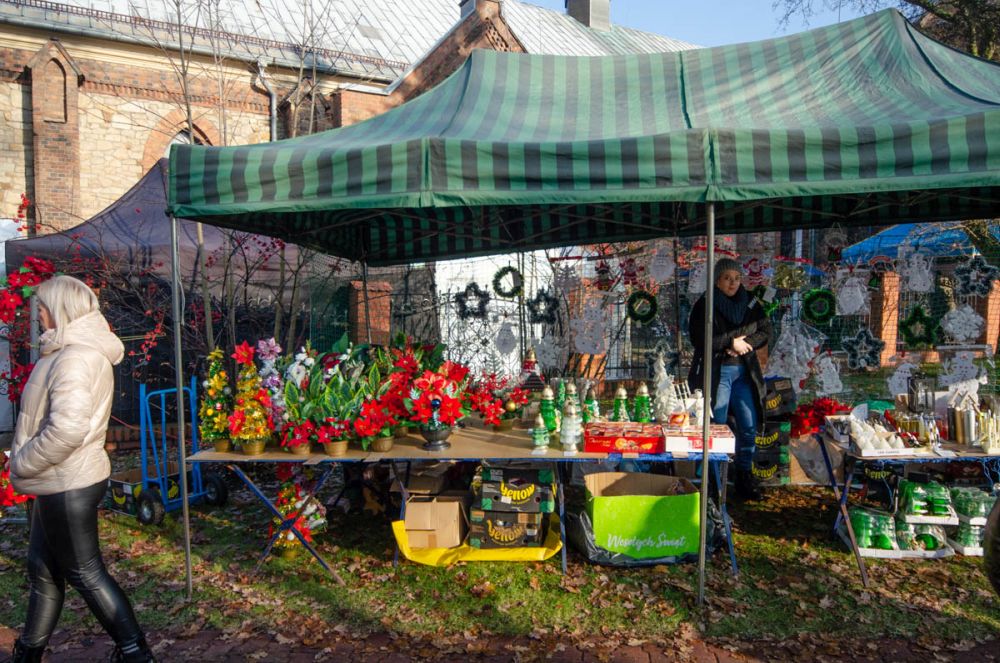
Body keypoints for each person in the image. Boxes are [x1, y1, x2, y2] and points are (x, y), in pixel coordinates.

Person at [8, 276, 155, 662]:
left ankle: (136, 654)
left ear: (61, 310)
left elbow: (67, 430)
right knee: (42, 570)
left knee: (86, 573)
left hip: (68, 480)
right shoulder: (66, 352)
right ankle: (29, 653)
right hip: (59, 478)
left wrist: (22, 461)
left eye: (43, 308)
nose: (38, 315)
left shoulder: (73, 357)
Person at [687, 258, 771, 499]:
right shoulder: (705, 304)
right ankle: (711, 482)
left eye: (736, 278)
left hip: (745, 374)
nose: (732, 283)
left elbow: (766, 330)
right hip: (718, 373)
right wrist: (729, 343)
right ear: (717, 281)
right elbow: (699, 338)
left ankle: (744, 477)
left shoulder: (751, 302)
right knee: (716, 426)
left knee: (749, 426)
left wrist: (746, 344)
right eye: (726, 278)